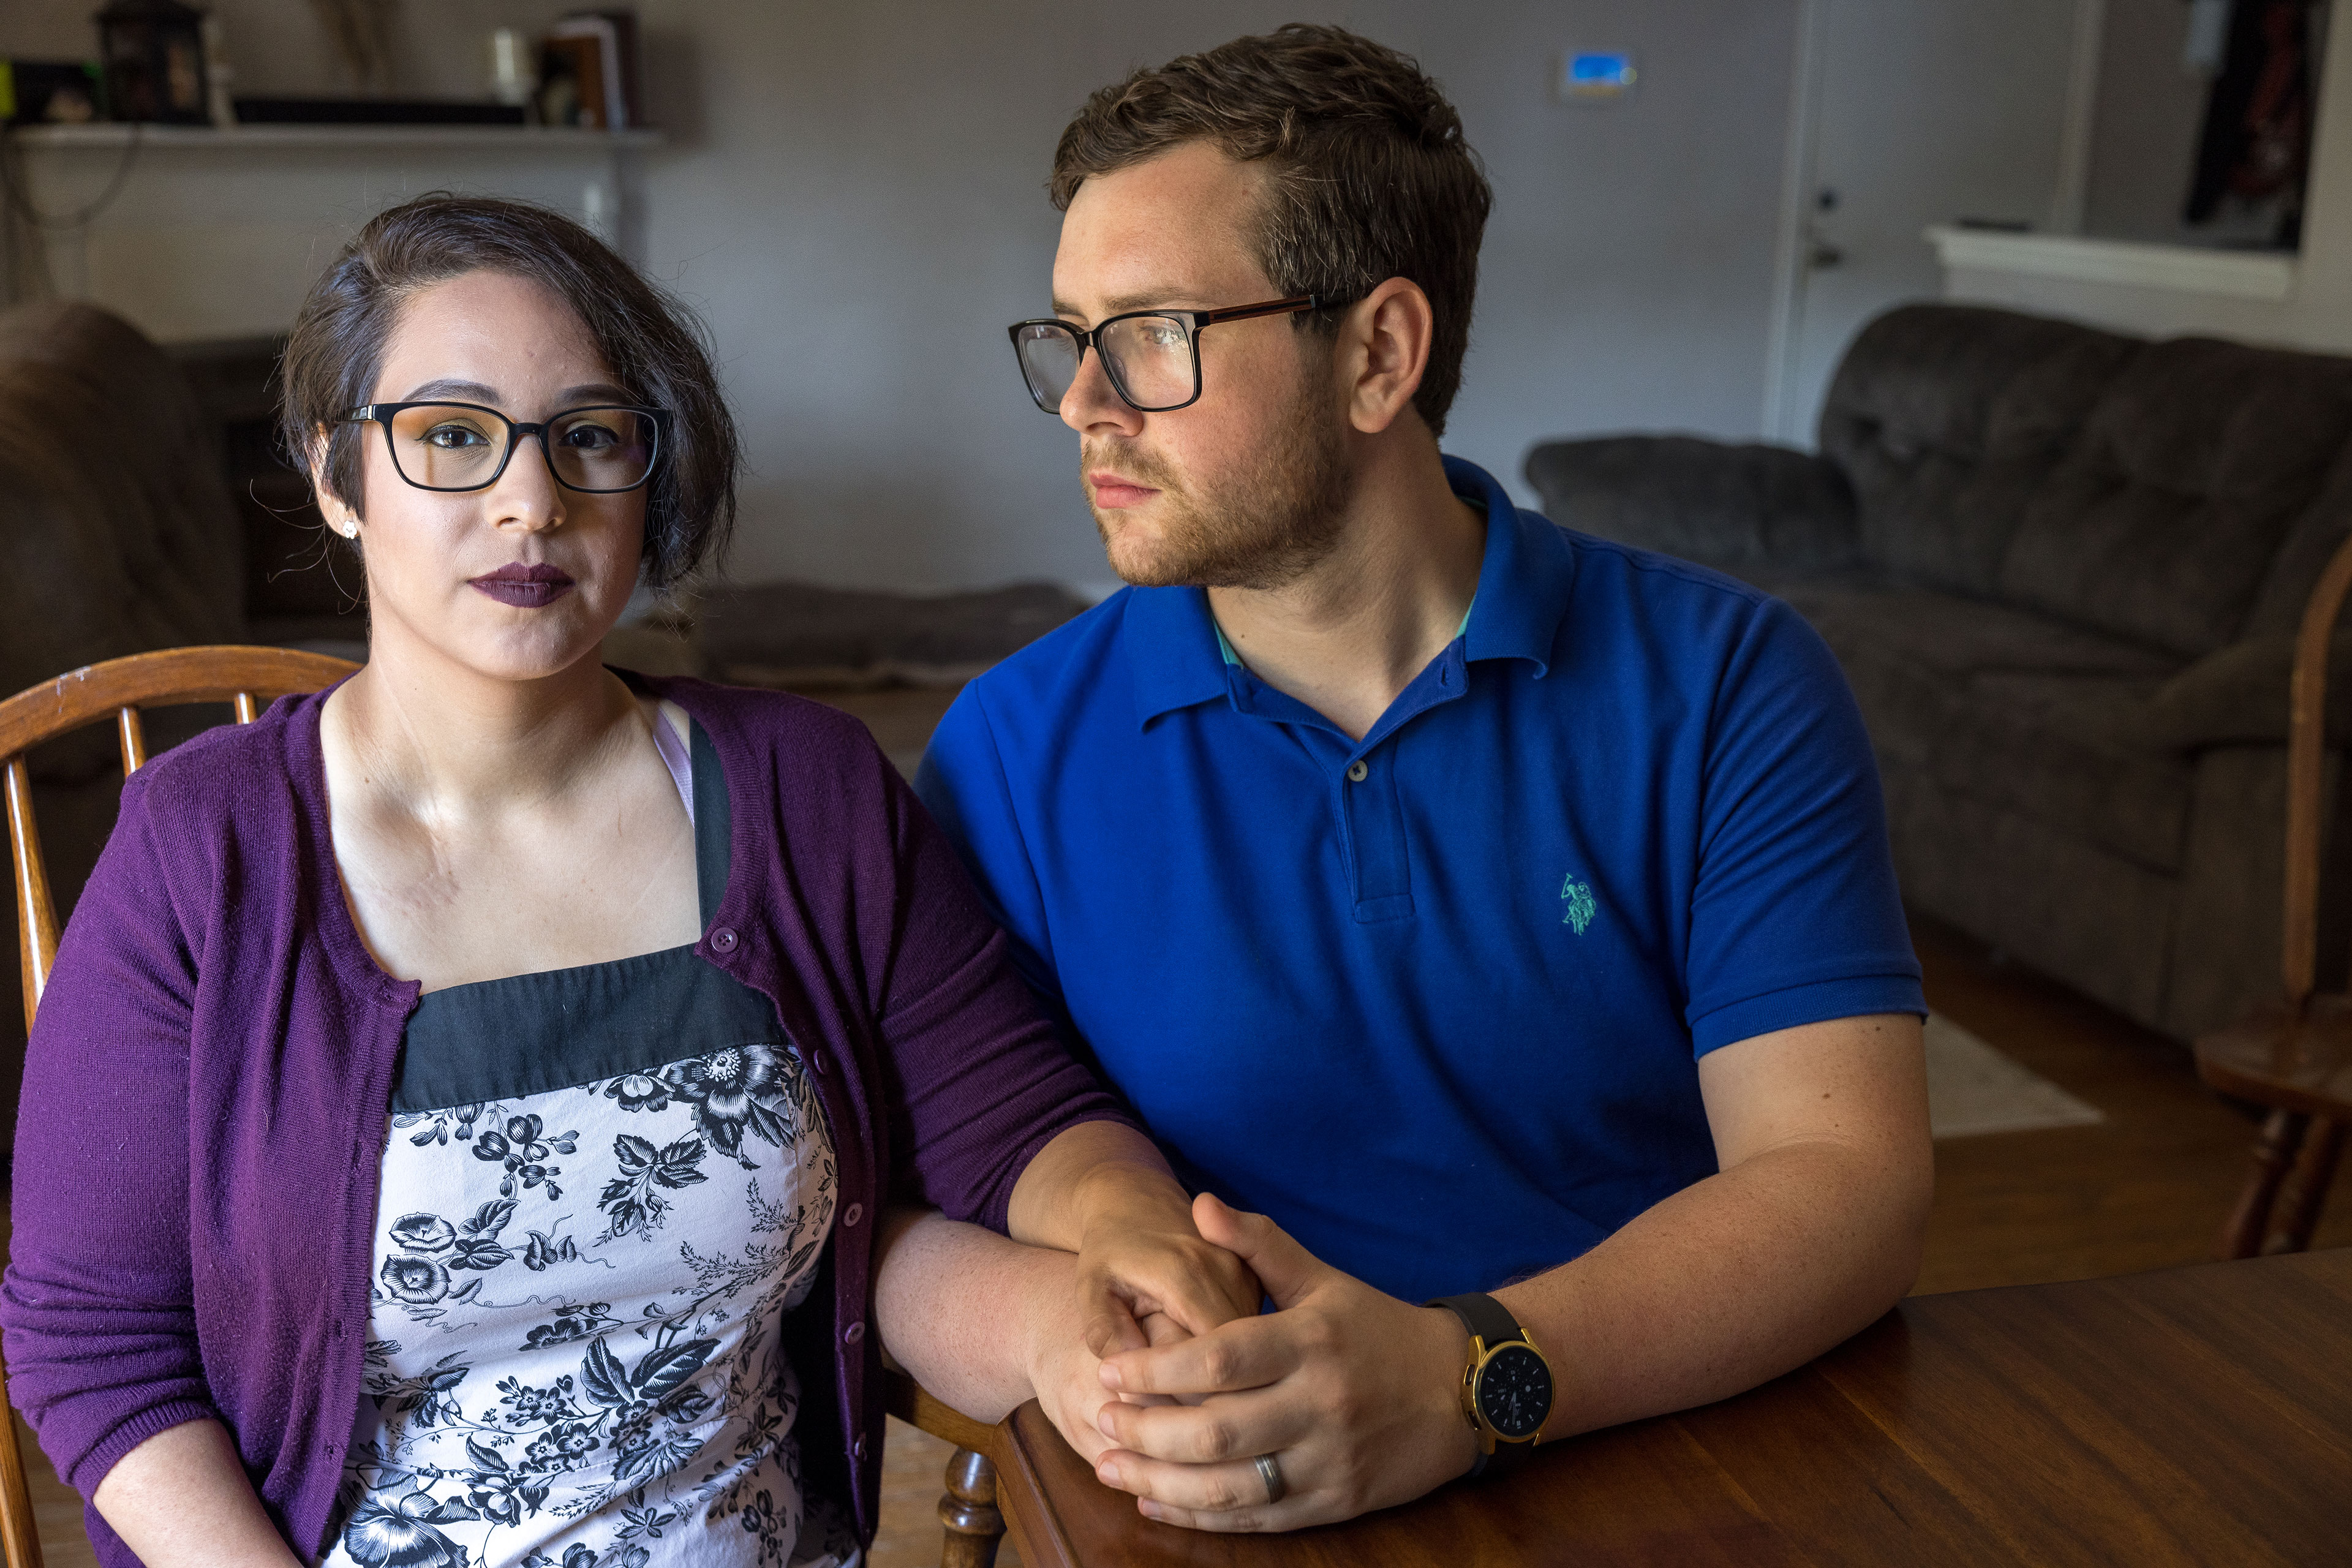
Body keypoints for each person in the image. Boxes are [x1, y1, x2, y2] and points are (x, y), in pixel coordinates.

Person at [0, 194, 1253, 1568]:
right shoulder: (205, 851)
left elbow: (1009, 1123)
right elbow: (93, 1342)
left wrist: (1093, 1285)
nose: (531, 501)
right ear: (337, 475)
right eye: (454, 436)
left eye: (591, 436)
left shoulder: (807, 790)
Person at [894, 24, 1934, 1533]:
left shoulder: (1727, 684)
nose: (1084, 403)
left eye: (1154, 334)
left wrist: (1472, 1376)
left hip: (1661, 1454)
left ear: (1380, 352)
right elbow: (926, 1200)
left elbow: (1847, 1179)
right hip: (1218, 1501)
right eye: (1070, 333)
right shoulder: (1008, 749)